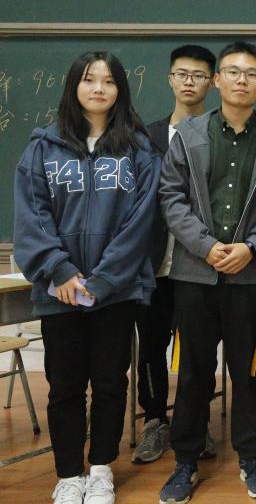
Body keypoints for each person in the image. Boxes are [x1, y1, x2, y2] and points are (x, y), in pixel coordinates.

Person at [14, 51, 160, 504]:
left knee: (111, 382)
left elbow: (141, 222)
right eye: (89, 79)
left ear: (120, 89)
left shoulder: (138, 149)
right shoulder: (42, 148)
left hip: (114, 292)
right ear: (74, 86)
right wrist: (59, 269)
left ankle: (100, 470)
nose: (99, 88)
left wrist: (103, 280)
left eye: (109, 80)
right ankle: (68, 474)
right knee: (65, 386)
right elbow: (31, 214)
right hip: (59, 290)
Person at [158, 42, 256, 504]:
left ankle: (250, 458)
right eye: (233, 72)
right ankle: (185, 462)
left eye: (252, 74)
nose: (241, 80)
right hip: (194, 276)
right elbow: (171, 198)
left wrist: (251, 247)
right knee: (193, 372)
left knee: (248, 372)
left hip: (249, 278)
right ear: (217, 80)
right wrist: (207, 246)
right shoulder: (187, 135)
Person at [134, 44, 217, 466]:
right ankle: (154, 419)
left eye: (198, 75)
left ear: (212, 82)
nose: (189, 82)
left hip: (198, 262)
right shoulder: (145, 137)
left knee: (197, 349)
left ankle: (194, 421)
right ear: (169, 79)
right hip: (152, 263)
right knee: (151, 345)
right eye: (182, 74)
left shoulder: (219, 134)